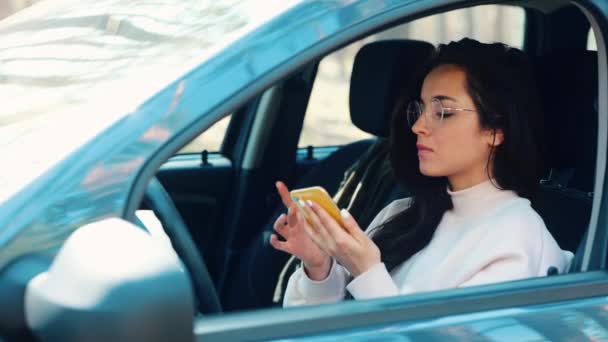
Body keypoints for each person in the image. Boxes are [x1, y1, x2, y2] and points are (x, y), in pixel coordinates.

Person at [269, 38, 573, 306]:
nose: (418, 126)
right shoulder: (400, 212)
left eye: (443, 112)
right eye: (421, 109)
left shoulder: (517, 237)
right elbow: (318, 326)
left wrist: (367, 271)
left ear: (495, 130)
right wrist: (319, 266)